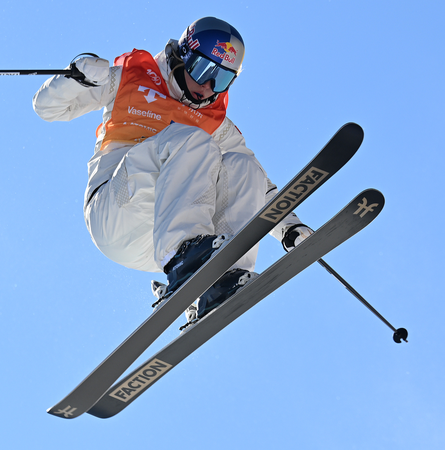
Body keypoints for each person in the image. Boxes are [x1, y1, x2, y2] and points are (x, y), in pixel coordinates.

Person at [33, 17, 313, 324]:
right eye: (205, 71)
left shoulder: (214, 120)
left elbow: (258, 184)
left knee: (241, 165)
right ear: (185, 57)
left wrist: (288, 227)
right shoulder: (131, 78)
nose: (208, 87)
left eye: (221, 80)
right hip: (115, 209)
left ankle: (220, 282)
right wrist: (76, 79)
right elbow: (48, 108)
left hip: (154, 242)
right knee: (192, 139)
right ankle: (186, 259)